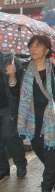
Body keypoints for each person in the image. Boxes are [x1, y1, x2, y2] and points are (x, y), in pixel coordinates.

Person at [17, 35, 55, 192]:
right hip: (33, 120)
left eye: (37, 46)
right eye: (31, 46)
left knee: (51, 154)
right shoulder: (23, 69)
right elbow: (16, 94)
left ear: (47, 50)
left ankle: (46, 190)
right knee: (39, 151)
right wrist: (13, 78)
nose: (33, 49)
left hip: (53, 121)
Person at [0, 51, 27, 180]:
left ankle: (20, 164)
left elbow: (18, 89)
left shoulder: (10, 60)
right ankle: (3, 169)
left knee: (10, 135)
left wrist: (12, 76)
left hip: (7, 105)